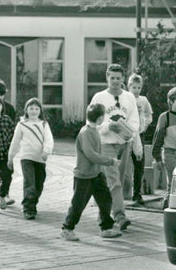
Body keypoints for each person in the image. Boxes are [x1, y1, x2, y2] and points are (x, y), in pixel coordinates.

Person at [60, 103, 123, 241]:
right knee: (78, 203)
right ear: (100, 118)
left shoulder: (94, 130)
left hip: (96, 174)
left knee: (105, 198)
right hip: (84, 175)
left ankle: (106, 228)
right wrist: (110, 161)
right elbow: (91, 155)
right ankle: (67, 228)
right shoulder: (86, 132)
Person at [88, 63, 138, 230]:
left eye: (118, 78)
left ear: (123, 78)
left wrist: (129, 132)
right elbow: (91, 122)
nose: (115, 81)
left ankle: (104, 212)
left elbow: (134, 120)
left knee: (119, 182)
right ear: (107, 78)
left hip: (124, 144)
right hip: (106, 144)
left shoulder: (129, 97)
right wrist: (108, 126)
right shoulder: (99, 97)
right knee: (114, 181)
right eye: (112, 78)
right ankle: (119, 216)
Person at [7, 98, 54, 220]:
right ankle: (29, 209)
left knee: (39, 183)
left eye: (36, 108)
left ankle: (32, 202)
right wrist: (10, 157)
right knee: (29, 183)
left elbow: (49, 140)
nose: (34, 111)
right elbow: (15, 142)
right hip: (26, 157)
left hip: (40, 158)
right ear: (26, 110)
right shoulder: (21, 125)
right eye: (31, 108)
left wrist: (46, 151)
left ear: (40, 111)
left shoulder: (44, 124)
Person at [127, 72, 153, 204]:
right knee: (124, 163)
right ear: (129, 87)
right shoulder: (125, 98)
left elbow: (149, 114)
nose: (136, 90)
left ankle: (136, 193)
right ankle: (123, 191)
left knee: (139, 164)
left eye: (139, 87)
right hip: (127, 134)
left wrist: (146, 125)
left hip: (140, 134)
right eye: (134, 87)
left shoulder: (143, 100)